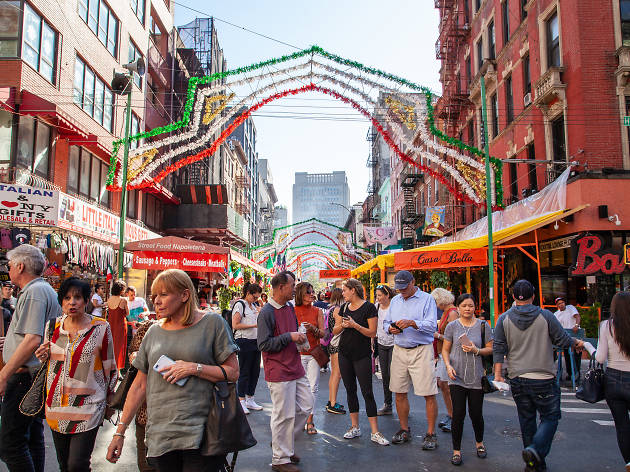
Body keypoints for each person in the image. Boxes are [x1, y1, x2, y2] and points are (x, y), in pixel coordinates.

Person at [106, 269, 239, 472]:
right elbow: (139, 385)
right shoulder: (153, 332)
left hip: (202, 434)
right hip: (161, 435)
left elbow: (232, 372)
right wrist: (120, 432)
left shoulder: (212, 324)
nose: (156, 301)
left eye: (163, 294)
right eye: (154, 296)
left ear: (185, 295)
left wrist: (194, 368)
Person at [493, 279, 584, 472]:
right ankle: (535, 450)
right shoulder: (546, 316)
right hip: (544, 377)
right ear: (534, 296)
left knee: (526, 420)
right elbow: (562, 340)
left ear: (513, 297)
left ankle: (534, 464)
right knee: (550, 417)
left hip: (518, 377)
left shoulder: (504, 319)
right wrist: (575, 342)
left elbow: (499, 347)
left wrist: (498, 375)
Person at [34, 277, 117, 472]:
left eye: (78, 297)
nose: (72, 302)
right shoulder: (53, 326)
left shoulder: (100, 328)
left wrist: (110, 397)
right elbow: (54, 362)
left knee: (77, 465)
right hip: (57, 406)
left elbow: (110, 365)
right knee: (64, 465)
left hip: (89, 405)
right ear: (61, 301)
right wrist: (42, 355)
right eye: (67, 298)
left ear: (87, 301)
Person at [0, 245, 61, 472]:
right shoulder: (39, 290)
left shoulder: (35, 291)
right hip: (32, 376)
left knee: (11, 444)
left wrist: (4, 374)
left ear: (20, 266)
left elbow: (32, 339)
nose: (8, 270)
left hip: (25, 376)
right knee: (32, 439)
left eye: (9, 265)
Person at [258, 270, 314, 472]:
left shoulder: (289, 307)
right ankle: (280, 459)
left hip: (295, 366)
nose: (295, 289)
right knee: (283, 415)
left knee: (306, 406)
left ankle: (283, 445)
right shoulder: (266, 313)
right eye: (292, 285)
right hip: (279, 370)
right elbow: (264, 344)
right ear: (280, 287)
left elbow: (292, 330)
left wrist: (298, 337)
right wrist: (289, 337)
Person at [384, 270, 439, 450]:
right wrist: (390, 329)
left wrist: (413, 323)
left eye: (404, 287)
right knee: (399, 391)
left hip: (421, 350)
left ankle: (431, 433)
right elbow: (386, 322)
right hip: (400, 348)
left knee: (428, 393)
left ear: (413, 282)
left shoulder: (427, 299)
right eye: (398, 288)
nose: (401, 291)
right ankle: (404, 429)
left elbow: (432, 325)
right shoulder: (395, 301)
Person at [333, 278, 389, 446]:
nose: (342, 293)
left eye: (344, 290)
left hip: (362, 354)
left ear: (353, 290)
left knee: (367, 392)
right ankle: (354, 426)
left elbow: (372, 333)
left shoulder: (369, 307)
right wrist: (343, 325)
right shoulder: (344, 307)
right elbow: (335, 330)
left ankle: (375, 431)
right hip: (344, 353)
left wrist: (355, 325)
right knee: (350, 390)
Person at [442, 294, 493, 466]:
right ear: (458, 307)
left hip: (477, 377)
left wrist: (476, 350)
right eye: (464, 306)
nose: (467, 309)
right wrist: (448, 366)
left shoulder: (483, 326)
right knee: (458, 414)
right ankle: (456, 451)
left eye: (470, 305)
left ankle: (480, 443)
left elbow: (490, 349)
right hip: (456, 377)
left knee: (476, 414)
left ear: (475, 307)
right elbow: (445, 350)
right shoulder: (452, 326)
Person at [594, 292, 630, 471]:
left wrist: (586, 346)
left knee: (622, 426)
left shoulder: (606, 326)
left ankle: (629, 463)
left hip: (613, 380)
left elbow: (600, 358)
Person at [128, 318, 159, 472]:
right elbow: (133, 352)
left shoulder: (198, 327)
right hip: (146, 414)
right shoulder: (149, 327)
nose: (159, 302)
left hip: (181, 420)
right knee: (146, 466)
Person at [294, 282, 325, 435]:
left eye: (312, 291)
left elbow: (323, 334)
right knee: (297, 387)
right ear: (300, 294)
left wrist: (313, 329)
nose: (312, 294)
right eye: (308, 292)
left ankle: (310, 420)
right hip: (297, 354)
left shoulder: (317, 311)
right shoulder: (292, 311)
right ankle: (298, 419)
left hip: (313, 353)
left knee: (313, 387)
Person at [232, 282, 264, 414]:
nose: (256, 299)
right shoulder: (240, 305)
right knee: (245, 371)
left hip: (255, 341)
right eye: (254, 297)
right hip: (244, 340)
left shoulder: (253, 306)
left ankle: (250, 398)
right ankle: (241, 400)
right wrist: (253, 326)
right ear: (248, 293)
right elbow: (235, 324)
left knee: (255, 371)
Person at [431, 287, 459, 433]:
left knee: (447, 385)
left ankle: (454, 416)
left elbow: (453, 337)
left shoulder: (452, 313)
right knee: (443, 384)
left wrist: (438, 336)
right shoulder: (447, 312)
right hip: (444, 352)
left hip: (450, 353)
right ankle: (451, 414)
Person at [324, 287, 346, 415]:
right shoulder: (337, 309)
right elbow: (336, 329)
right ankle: (332, 403)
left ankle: (331, 401)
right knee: (337, 374)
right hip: (337, 344)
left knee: (334, 374)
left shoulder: (329, 308)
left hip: (332, 344)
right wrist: (345, 324)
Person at [375, 284, 395, 416]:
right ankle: (387, 403)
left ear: (387, 295)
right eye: (377, 296)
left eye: (380, 295)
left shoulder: (395, 307)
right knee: (385, 375)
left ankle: (400, 402)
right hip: (381, 343)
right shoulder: (376, 307)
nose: (377, 298)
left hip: (395, 344)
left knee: (395, 375)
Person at [553, 296, 581, 381]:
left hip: (575, 335)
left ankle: (577, 373)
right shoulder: (556, 314)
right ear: (557, 305)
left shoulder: (570, 308)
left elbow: (577, 317)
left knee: (576, 355)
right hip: (565, 337)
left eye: (562, 303)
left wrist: (576, 325)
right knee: (567, 355)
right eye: (559, 304)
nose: (561, 305)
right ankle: (569, 373)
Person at [107, 280, 129, 371]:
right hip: (120, 325)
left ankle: (110, 367)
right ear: (121, 290)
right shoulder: (123, 300)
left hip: (111, 324)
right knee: (119, 347)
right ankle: (118, 369)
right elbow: (127, 313)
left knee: (111, 346)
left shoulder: (109, 299)